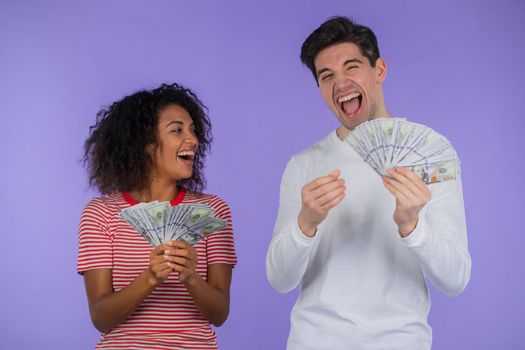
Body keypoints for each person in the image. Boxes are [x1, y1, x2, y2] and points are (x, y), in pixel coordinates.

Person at [266, 16, 471, 350]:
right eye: (326, 76)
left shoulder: (430, 154)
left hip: (401, 342)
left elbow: (455, 279)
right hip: (314, 340)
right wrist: (306, 223)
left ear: (379, 71)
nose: (340, 83)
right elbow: (280, 279)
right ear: (319, 88)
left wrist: (412, 226)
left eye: (352, 67)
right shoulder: (303, 165)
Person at [78, 83, 237, 349]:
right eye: (177, 130)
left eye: (193, 130)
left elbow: (219, 314)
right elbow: (101, 317)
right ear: (145, 143)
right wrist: (150, 278)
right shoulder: (100, 214)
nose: (193, 140)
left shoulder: (213, 210)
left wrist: (191, 278)